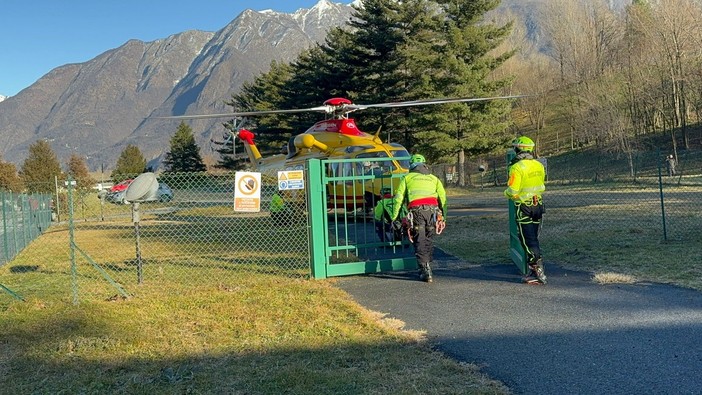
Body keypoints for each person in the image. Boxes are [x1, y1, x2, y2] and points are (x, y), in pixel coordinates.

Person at [391, 154, 447, 283]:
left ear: (411, 166)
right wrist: (444, 216)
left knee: (419, 239)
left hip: (416, 211)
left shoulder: (407, 178)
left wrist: (394, 217)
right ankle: (427, 265)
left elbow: (398, 198)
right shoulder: (434, 179)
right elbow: (443, 198)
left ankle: (424, 268)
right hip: (432, 211)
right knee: (428, 238)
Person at [504, 136, 547, 285]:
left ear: (518, 149)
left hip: (524, 206)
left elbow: (513, 190)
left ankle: (538, 271)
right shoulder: (539, 165)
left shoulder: (516, 167)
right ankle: (533, 269)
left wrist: (507, 193)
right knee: (533, 238)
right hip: (538, 205)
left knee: (527, 240)